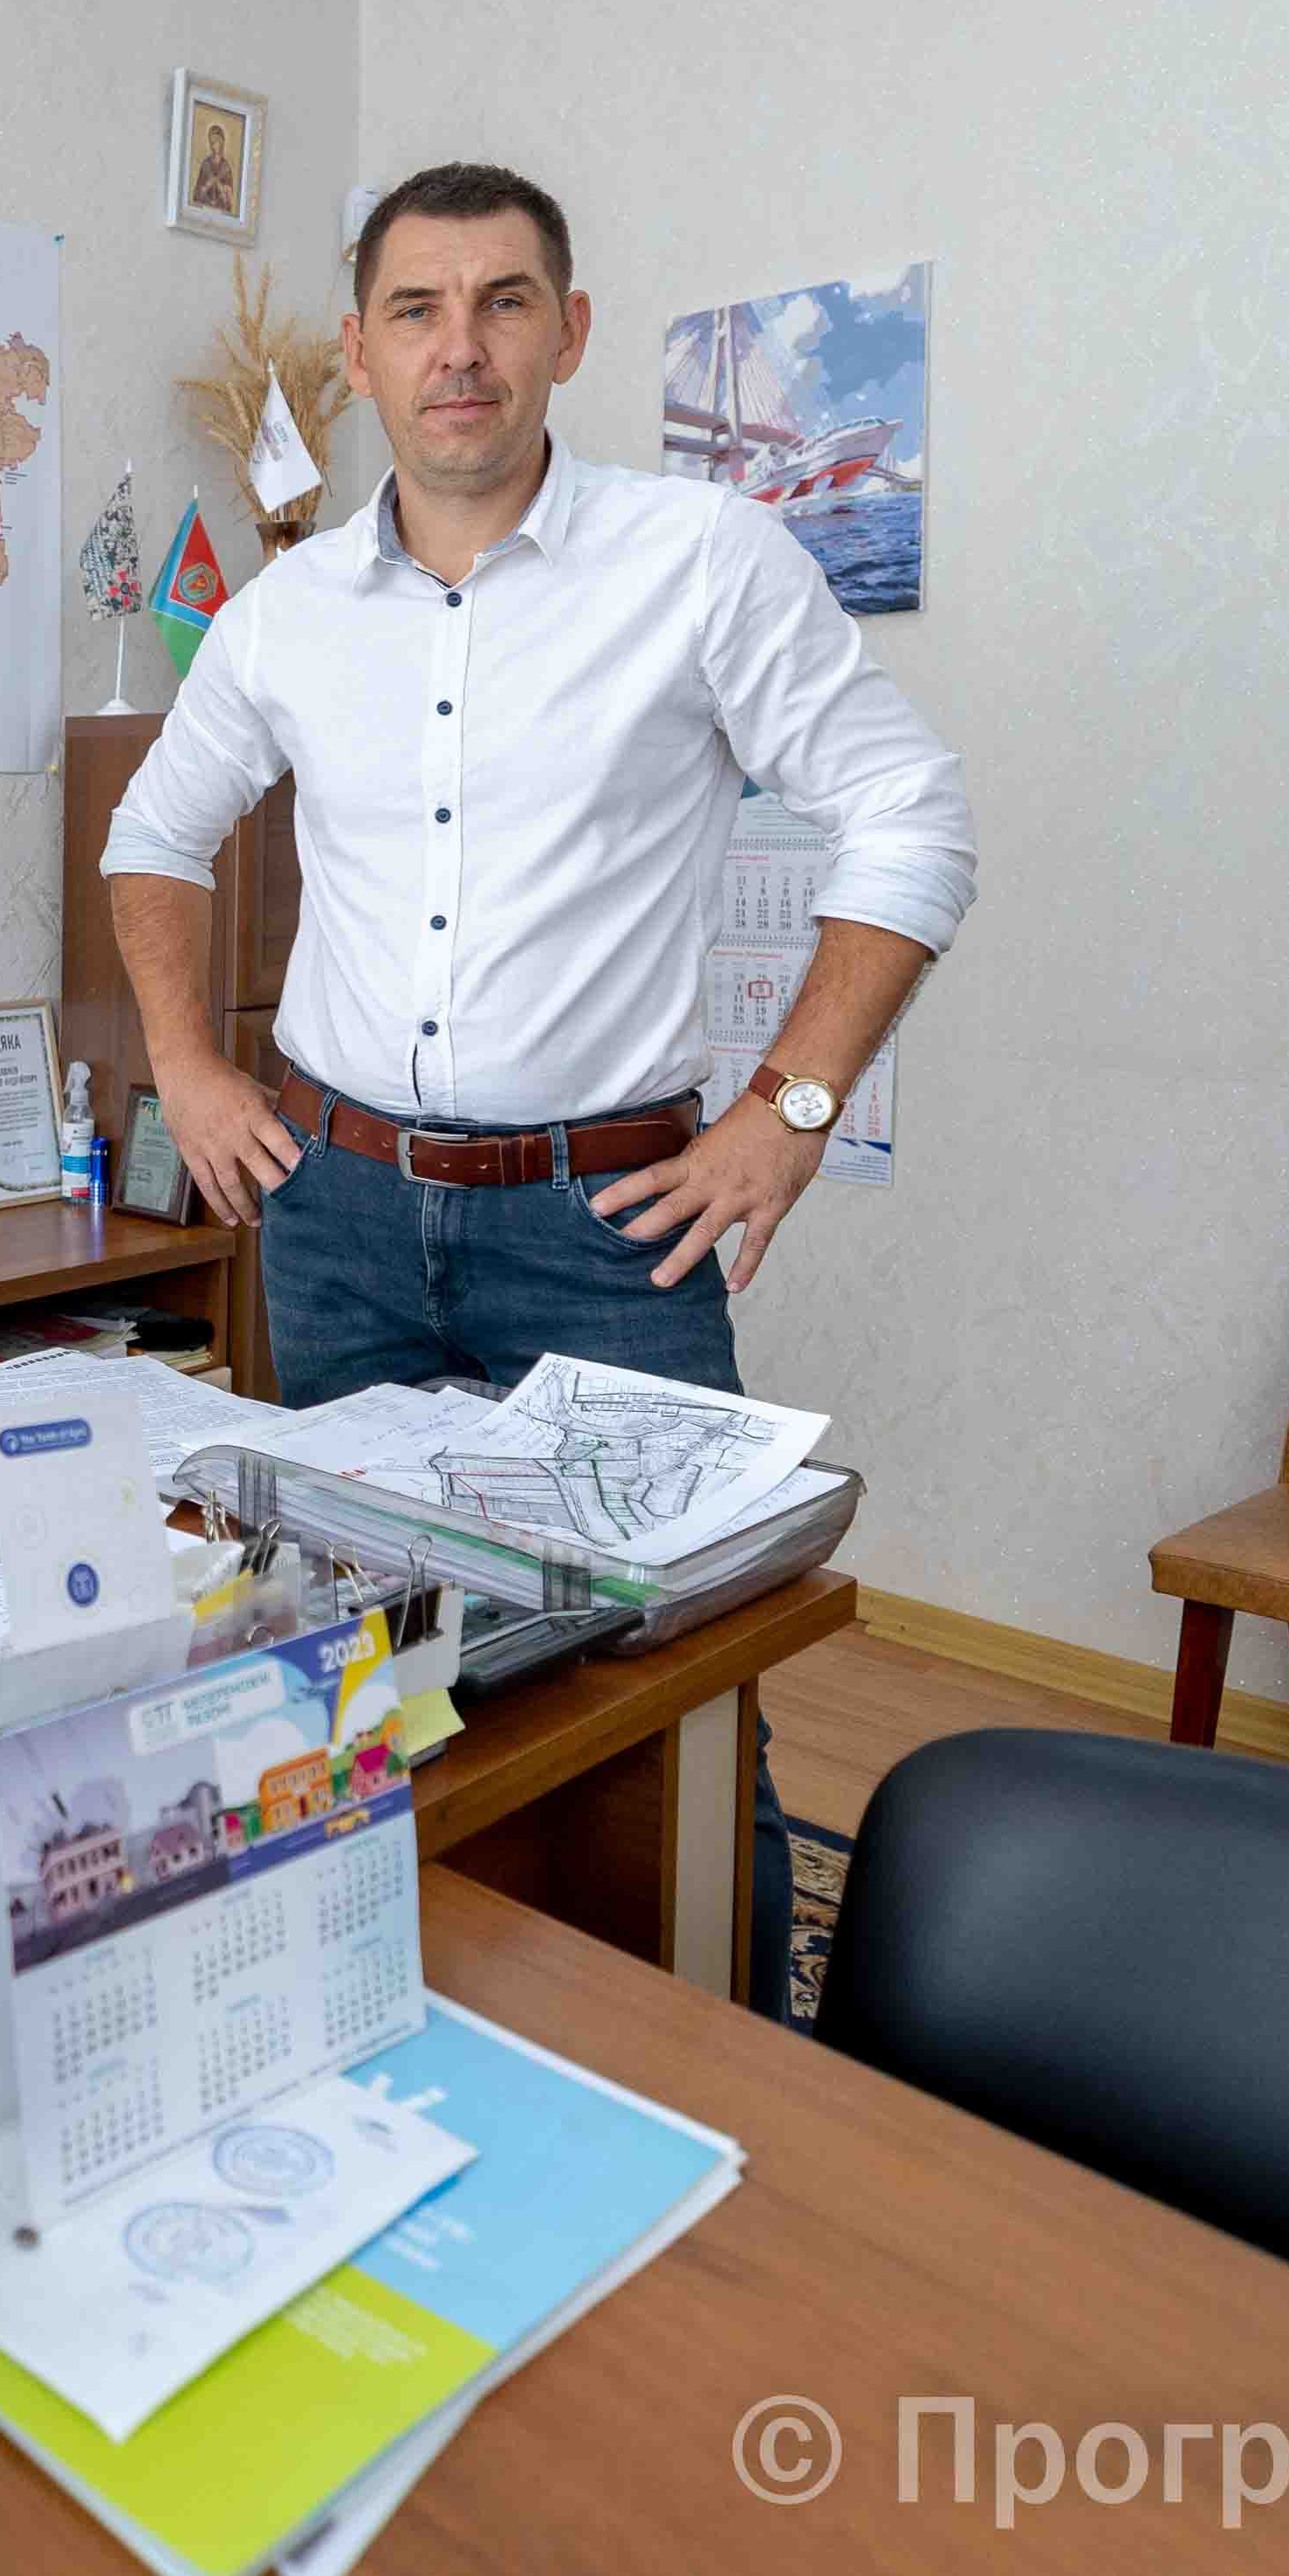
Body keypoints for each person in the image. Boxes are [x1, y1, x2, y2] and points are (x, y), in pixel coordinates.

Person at [100, 161, 977, 2022]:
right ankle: (403, 2009)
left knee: (674, 1682)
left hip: (605, 1231)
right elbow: (153, 832)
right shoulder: (287, 613)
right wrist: (183, 1065)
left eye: (503, 303)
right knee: (362, 1662)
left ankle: (739, 2061)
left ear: (568, 334)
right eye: (416, 310)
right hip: (336, 1218)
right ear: (358, 354)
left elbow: (913, 817)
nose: (461, 348)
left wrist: (790, 1112)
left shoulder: (701, 560)